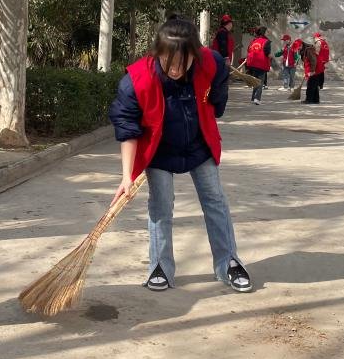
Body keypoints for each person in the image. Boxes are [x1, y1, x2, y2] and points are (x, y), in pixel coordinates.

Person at [108, 16, 252, 294]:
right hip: (159, 151)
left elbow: (220, 82)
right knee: (161, 205)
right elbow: (126, 127)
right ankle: (160, 267)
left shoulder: (209, 62)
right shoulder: (137, 80)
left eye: (182, 63)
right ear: (157, 53)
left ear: (194, 56)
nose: (174, 70)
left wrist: (215, 101)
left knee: (215, 200)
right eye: (168, 62)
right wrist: (127, 176)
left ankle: (228, 262)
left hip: (199, 145)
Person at [244, 27, 271, 104]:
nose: (268, 32)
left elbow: (249, 50)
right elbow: (267, 53)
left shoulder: (254, 41)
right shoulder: (266, 41)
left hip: (252, 64)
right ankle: (257, 99)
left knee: (255, 81)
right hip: (261, 63)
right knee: (260, 82)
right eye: (267, 31)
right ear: (264, 32)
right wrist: (270, 57)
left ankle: (253, 98)